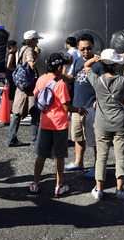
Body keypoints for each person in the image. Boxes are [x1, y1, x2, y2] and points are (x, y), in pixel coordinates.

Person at [84, 49, 124, 200]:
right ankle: (120, 189)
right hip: (120, 122)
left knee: (101, 157)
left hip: (102, 124)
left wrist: (96, 59)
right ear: (116, 64)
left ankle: (99, 189)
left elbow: (86, 66)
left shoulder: (97, 80)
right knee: (121, 156)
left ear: (102, 64)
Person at [29, 53, 87, 197]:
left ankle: (35, 183)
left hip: (45, 122)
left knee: (41, 155)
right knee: (59, 156)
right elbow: (66, 107)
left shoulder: (41, 79)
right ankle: (58, 186)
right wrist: (79, 110)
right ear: (59, 67)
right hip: (59, 124)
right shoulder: (60, 84)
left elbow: (36, 96)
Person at [65, 34, 100, 179]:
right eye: (82, 49)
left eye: (88, 48)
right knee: (78, 136)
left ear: (93, 47)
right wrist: (60, 75)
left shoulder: (98, 63)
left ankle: (96, 166)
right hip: (77, 106)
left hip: (92, 107)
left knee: (95, 139)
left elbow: (104, 82)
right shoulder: (78, 61)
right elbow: (72, 78)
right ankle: (78, 162)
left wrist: (99, 100)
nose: (86, 52)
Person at [5, 30, 42, 147]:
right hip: (29, 88)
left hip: (21, 86)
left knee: (17, 112)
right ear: (32, 40)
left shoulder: (21, 49)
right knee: (35, 112)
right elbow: (32, 66)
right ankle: (35, 140)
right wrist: (38, 55)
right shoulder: (30, 50)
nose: (37, 41)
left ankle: (11, 138)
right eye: (36, 39)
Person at [5, 40, 18, 110]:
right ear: (11, 47)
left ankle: (10, 107)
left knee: (11, 91)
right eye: (15, 46)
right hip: (11, 76)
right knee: (12, 92)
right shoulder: (11, 55)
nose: (16, 48)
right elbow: (8, 66)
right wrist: (16, 69)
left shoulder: (7, 53)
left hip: (8, 75)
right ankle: (10, 108)